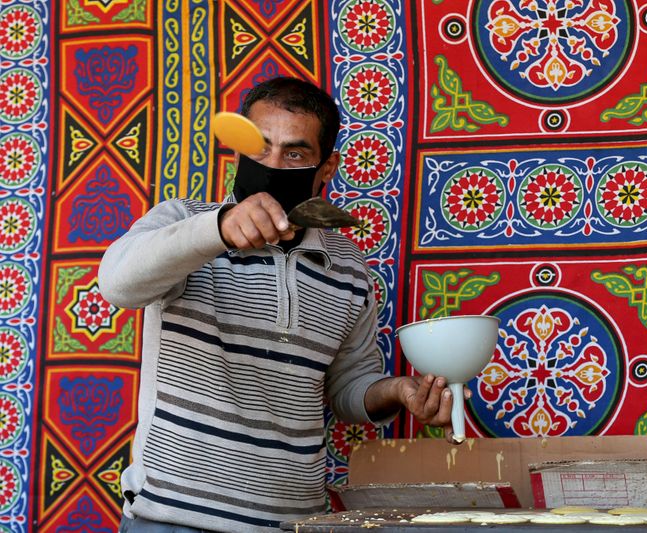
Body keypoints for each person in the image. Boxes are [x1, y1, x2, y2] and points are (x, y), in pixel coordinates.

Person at [98, 76, 460, 533]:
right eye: (259, 148)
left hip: (292, 522)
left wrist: (398, 392)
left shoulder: (349, 268)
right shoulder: (182, 222)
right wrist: (220, 229)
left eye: (294, 153)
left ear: (325, 167)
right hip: (171, 517)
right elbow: (117, 283)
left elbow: (348, 386)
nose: (272, 164)